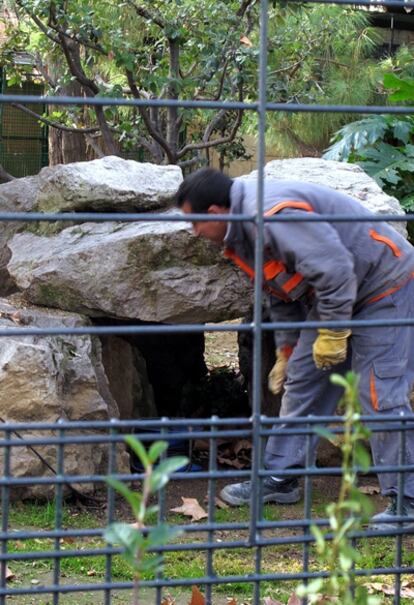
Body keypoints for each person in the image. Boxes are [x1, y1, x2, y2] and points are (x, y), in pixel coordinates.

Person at [175, 167, 414, 530]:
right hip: (338, 293)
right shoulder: (240, 232)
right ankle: (280, 478)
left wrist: (333, 332)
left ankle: (407, 500)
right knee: (303, 376)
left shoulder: (271, 215)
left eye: (194, 224)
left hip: (385, 284)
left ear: (215, 213)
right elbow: (281, 291)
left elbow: (335, 270)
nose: (193, 233)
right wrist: (288, 350)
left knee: (377, 391)